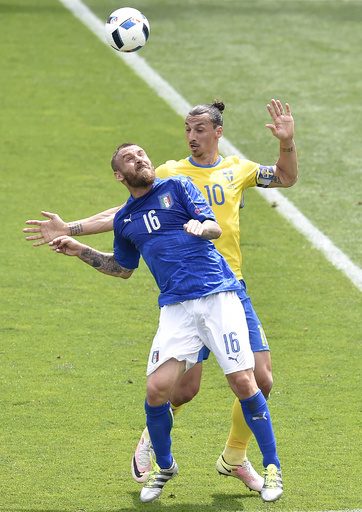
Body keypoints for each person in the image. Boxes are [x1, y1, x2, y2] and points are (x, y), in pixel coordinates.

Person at [24, 99, 298, 492]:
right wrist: (74, 230)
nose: (191, 136)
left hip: (226, 285)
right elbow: (125, 215)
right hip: (180, 295)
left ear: (218, 132)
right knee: (182, 389)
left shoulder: (239, 170)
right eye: (187, 129)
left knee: (260, 380)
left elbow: (286, 178)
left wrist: (287, 142)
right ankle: (154, 440)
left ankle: (235, 458)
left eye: (199, 129)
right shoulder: (169, 174)